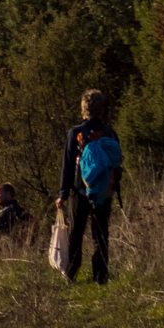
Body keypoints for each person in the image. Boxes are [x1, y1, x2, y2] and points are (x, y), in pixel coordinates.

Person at [55, 89, 118, 284]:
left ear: (83, 109)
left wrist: (63, 194)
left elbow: (67, 165)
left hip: (80, 190)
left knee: (76, 232)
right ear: (102, 109)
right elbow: (116, 162)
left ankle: (71, 274)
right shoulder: (110, 133)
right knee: (100, 234)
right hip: (104, 191)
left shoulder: (76, 133)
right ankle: (101, 277)